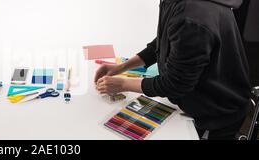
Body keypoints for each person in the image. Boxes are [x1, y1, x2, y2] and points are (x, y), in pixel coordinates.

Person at [94, 0, 252, 140]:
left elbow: (175, 84)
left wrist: (123, 84)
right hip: (201, 99)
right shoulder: (176, 4)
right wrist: (122, 67)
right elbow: (167, 40)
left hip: (218, 113)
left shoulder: (192, 16)